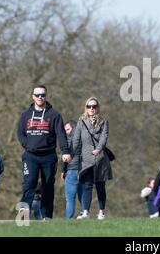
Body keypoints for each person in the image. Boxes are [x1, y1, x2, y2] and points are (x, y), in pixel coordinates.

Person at [17, 85, 71, 220]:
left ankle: (47, 216)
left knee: (47, 186)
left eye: (42, 95)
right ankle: (22, 217)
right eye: (37, 95)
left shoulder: (54, 115)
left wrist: (65, 151)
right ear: (33, 97)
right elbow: (20, 134)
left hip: (48, 156)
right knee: (29, 184)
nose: (40, 97)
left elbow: (61, 134)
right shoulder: (25, 115)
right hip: (31, 156)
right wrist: (28, 145)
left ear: (46, 96)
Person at [73, 97, 112, 220]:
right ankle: (86, 212)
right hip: (86, 159)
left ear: (97, 108)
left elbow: (104, 137)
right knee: (87, 185)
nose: (91, 108)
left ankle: (101, 211)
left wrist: (99, 149)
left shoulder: (104, 121)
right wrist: (70, 153)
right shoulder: (81, 121)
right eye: (89, 106)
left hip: (100, 158)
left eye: (94, 106)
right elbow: (76, 139)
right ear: (86, 107)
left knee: (100, 186)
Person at [61, 120, 83, 219]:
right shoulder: (84, 138)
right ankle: (84, 215)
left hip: (72, 169)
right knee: (83, 196)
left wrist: (63, 170)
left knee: (70, 198)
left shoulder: (69, 139)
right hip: (84, 170)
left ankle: (68, 219)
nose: (66, 132)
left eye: (68, 129)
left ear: (73, 128)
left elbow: (65, 157)